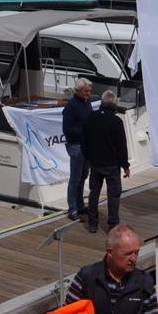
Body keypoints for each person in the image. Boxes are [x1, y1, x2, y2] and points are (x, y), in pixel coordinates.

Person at [65, 225, 158, 314]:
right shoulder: (87, 276)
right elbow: (66, 313)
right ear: (110, 252)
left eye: (136, 252)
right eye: (128, 254)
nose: (133, 258)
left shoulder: (144, 283)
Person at [81, 90, 130, 233]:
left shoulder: (91, 117)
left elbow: (84, 142)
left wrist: (89, 157)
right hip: (112, 165)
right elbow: (121, 146)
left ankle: (92, 223)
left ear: (102, 102)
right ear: (114, 105)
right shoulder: (116, 122)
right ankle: (113, 225)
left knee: (94, 193)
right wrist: (125, 166)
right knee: (113, 195)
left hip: (95, 163)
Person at [63, 78, 94, 220]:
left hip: (86, 145)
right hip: (76, 146)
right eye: (86, 91)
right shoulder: (71, 107)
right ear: (78, 91)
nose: (88, 93)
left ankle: (80, 205)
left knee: (83, 176)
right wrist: (86, 131)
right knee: (75, 178)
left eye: (90, 91)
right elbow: (67, 129)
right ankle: (72, 209)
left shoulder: (87, 102)